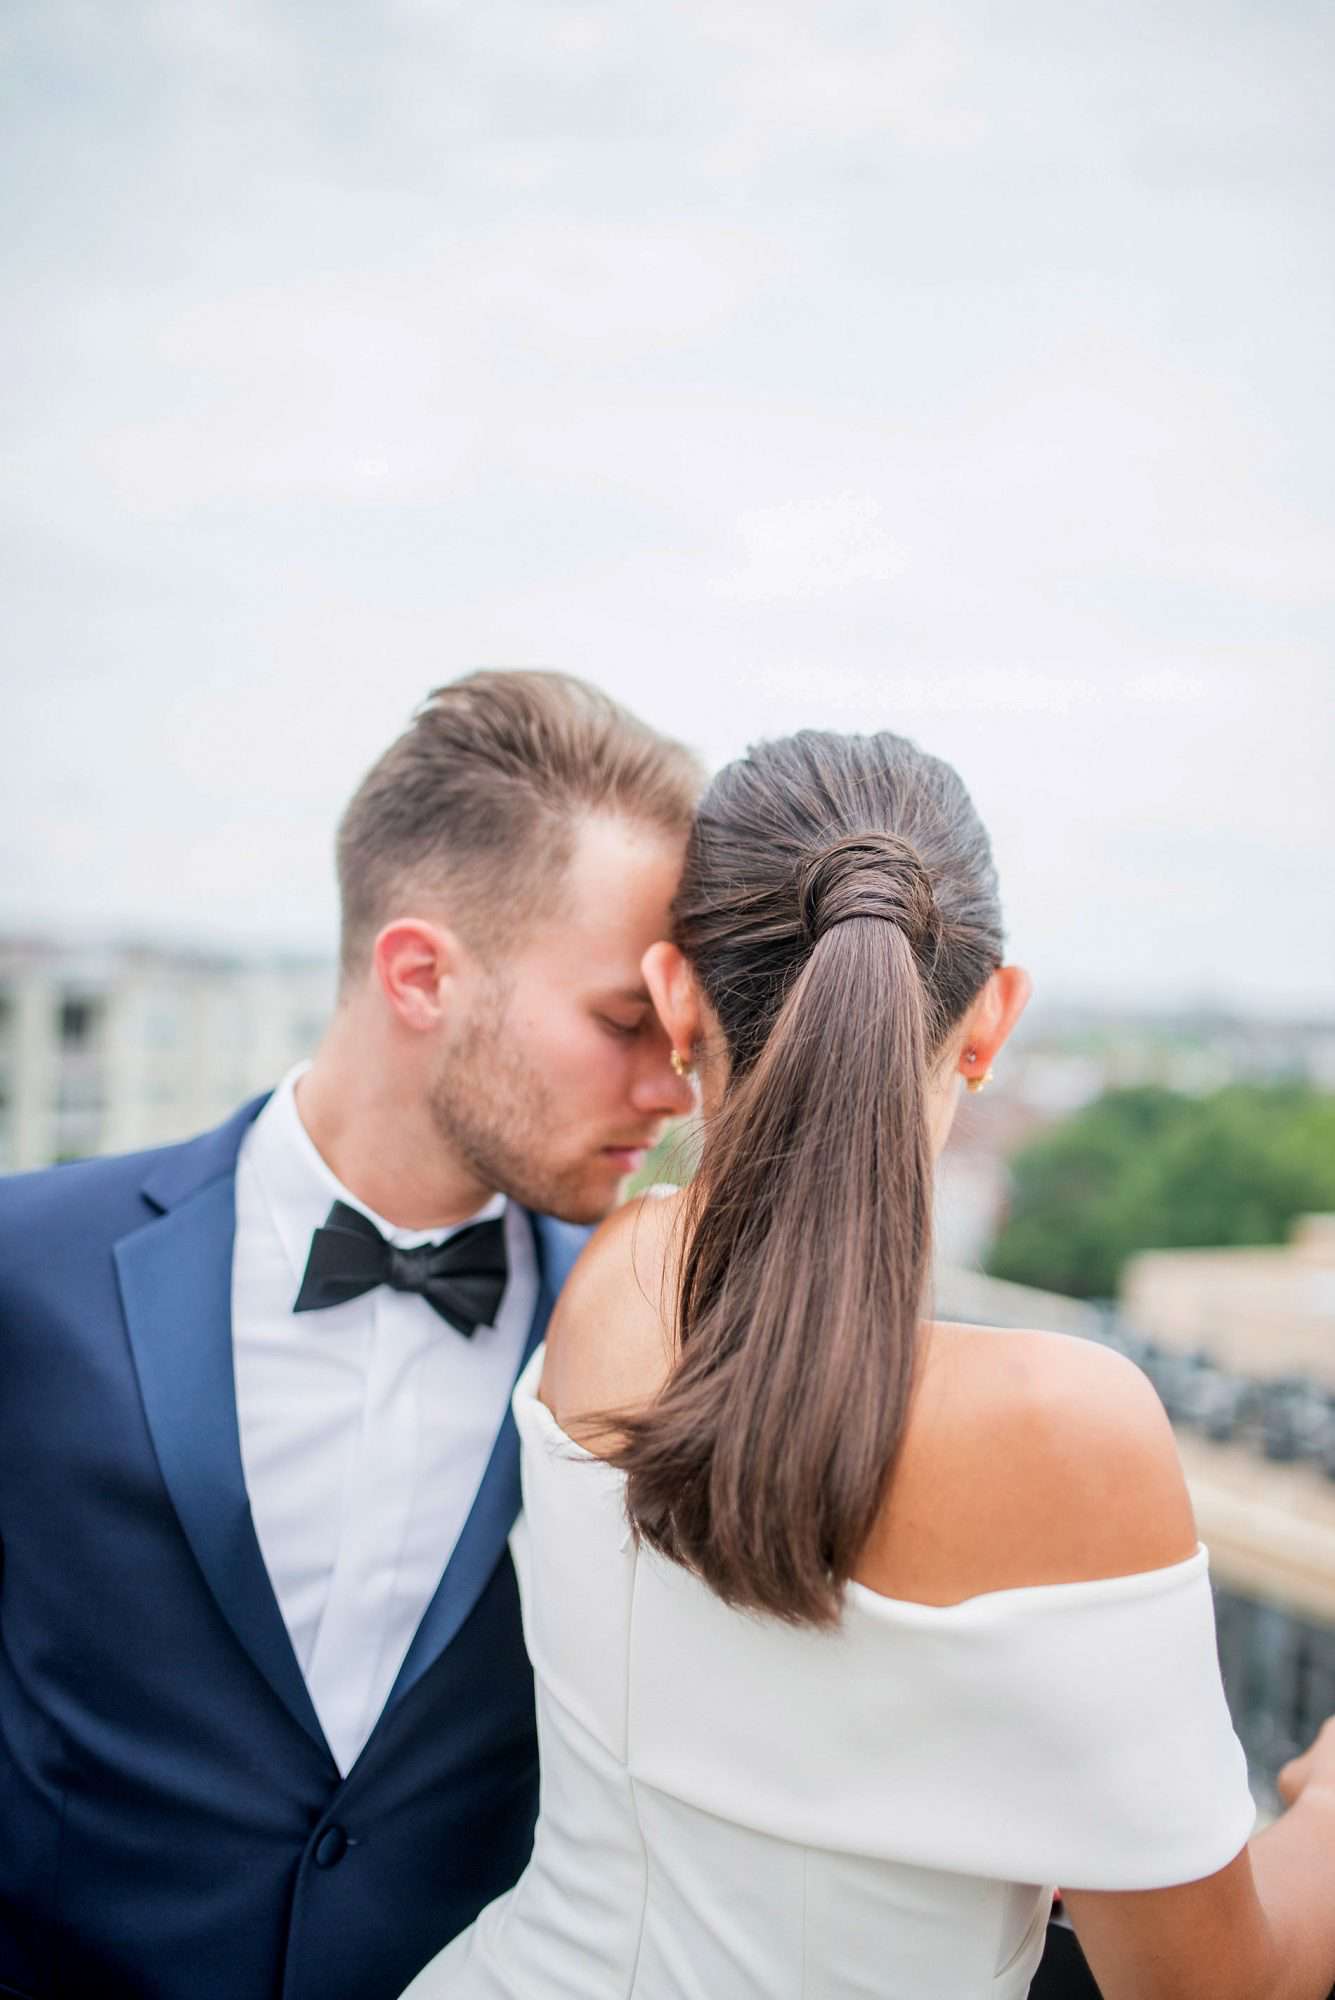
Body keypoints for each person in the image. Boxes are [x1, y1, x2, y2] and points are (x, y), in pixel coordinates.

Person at [405, 726, 1335, 2000]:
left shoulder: (619, 1276)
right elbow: (1220, 1984)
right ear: (992, 1013)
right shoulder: (1071, 1425)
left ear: (681, 998)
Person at [0, 671, 701, 2000]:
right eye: (623, 1024)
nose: (667, 1090)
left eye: (678, 1039)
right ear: (420, 973)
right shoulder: (24, 1270)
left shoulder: (654, 1342)